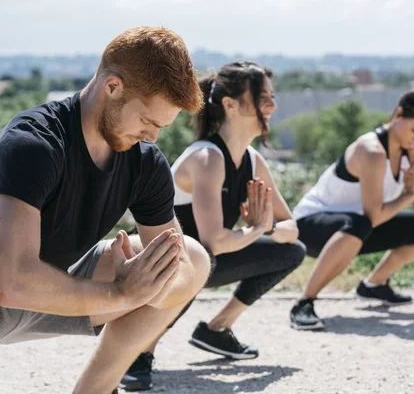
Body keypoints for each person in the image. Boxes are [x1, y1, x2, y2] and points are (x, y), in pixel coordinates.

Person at [0, 27, 212, 394]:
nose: (153, 136)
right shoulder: (35, 141)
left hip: (47, 291)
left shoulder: (145, 164)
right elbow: (12, 282)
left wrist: (151, 286)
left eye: (161, 126)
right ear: (113, 87)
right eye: (147, 121)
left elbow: (183, 271)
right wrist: (124, 294)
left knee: (190, 255)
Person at [120, 61, 306, 392]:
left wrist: (267, 229)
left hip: (200, 260)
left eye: (271, 96)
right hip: (154, 262)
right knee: (200, 260)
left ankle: (217, 330)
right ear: (230, 105)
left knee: (291, 252)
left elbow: (290, 226)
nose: (272, 105)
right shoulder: (207, 158)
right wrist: (256, 230)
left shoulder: (252, 160)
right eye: (262, 97)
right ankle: (137, 353)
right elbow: (214, 240)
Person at [289, 79, 414, 331]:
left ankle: (374, 285)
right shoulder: (371, 150)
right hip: (310, 227)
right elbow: (373, 215)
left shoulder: (408, 151)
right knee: (361, 222)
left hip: (355, 227)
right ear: (398, 114)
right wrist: (408, 194)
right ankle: (303, 303)